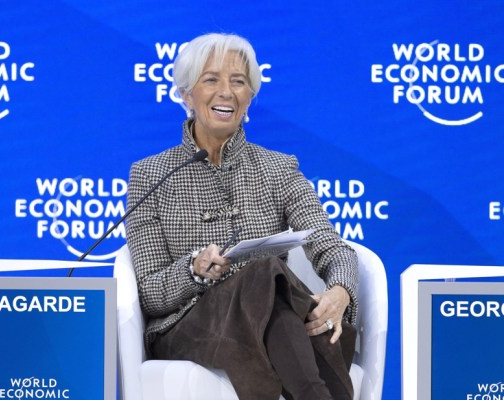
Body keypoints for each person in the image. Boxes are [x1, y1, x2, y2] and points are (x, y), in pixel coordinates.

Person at [126, 32, 359, 400]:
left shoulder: (278, 168)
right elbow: (151, 294)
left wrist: (341, 291)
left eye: (238, 82)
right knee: (266, 273)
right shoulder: (151, 175)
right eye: (211, 80)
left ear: (250, 97)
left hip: (268, 320)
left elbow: (333, 248)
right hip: (187, 327)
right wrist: (194, 269)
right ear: (186, 94)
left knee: (269, 286)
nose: (226, 92)